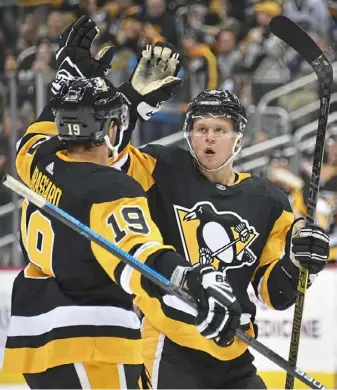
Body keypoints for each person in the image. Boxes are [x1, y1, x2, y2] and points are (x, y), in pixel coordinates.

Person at [33, 17, 330, 390]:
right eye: (200, 128)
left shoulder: (268, 199)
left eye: (219, 130)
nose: (209, 138)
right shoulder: (161, 166)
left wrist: (301, 263)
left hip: (235, 351)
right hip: (168, 346)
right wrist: (130, 100)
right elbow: (103, 159)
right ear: (188, 134)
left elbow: (277, 293)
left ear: (238, 139)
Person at [1, 19, 242, 390]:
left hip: (36, 338)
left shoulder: (34, 155)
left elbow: (52, 125)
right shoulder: (113, 187)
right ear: (110, 129)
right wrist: (196, 279)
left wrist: (77, 81)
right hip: (91, 339)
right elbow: (139, 254)